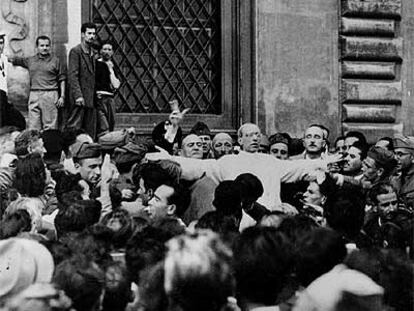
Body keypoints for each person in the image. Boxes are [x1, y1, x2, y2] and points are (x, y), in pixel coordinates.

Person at [10, 35, 66, 130]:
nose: (45, 48)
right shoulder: (31, 60)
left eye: (47, 46)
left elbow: (62, 79)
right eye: (42, 45)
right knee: (33, 127)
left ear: (50, 47)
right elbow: (15, 59)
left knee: (50, 127)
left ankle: (49, 144)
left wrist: (62, 96)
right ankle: (36, 145)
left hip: (50, 94)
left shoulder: (56, 61)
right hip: (34, 94)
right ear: (37, 47)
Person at [67, 22, 98, 139]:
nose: (92, 36)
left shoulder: (93, 53)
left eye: (94, 34)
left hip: (91, 98)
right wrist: (78, 95)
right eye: (89, 33)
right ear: (82, 34)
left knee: (90, 129)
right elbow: (72, 75)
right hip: (79, 97)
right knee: (74, 127)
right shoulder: (76, 51)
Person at [95, 40, 120, 135]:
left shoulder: (112, 65)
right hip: (100, 98)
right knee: (103, 126)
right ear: (100, 51)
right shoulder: (96, 64)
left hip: (110, 98)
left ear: (112, 52)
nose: (107, 52)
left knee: (111, 124)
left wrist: (110, 69)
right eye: (105, 49)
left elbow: (116, 85)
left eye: (109, 49)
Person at [391, 135, 414, 208]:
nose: (395, 158)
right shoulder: (393, 179)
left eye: (400, 154)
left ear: (413, 157)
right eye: (395, 154)